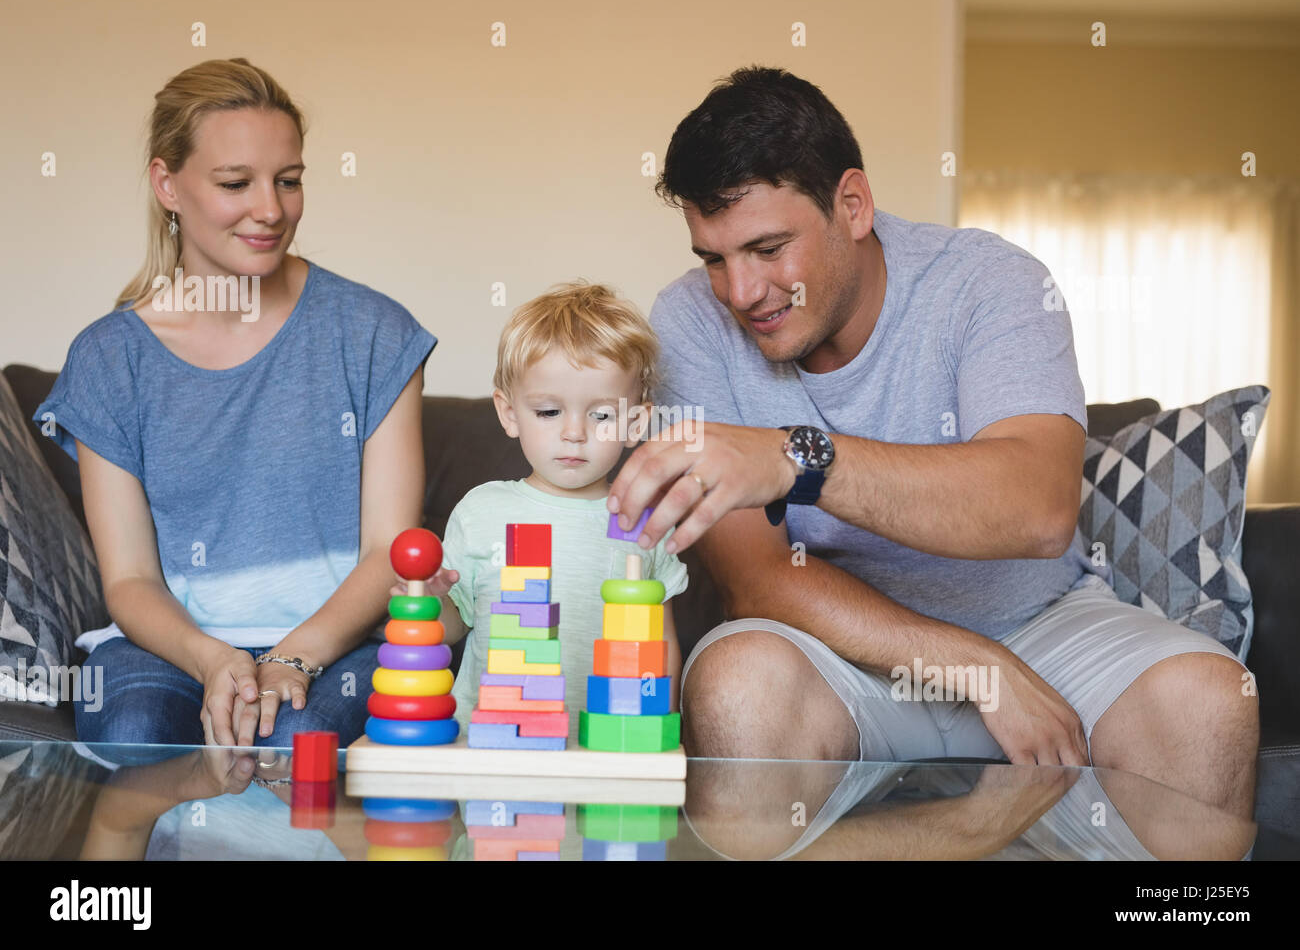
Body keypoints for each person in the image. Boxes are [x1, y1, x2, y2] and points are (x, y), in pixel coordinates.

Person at [607, 66, 1258, 835]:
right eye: (714, 258)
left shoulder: (990, 282)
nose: (741, 291)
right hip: (837, 651)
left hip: (1041, 623)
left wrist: (795, 458)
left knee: (1209, 700)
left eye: (767, 247)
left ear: (852, 204)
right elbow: (756, 580)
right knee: (735, 683)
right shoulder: (688, 321)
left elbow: (1040, 508)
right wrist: (972, 667)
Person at [33, 59, 434, 749]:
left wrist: (291, 659)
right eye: (235, 183)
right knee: (136, 731)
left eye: (288, 180)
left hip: (339, 645)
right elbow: (129, 580)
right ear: (168, 184)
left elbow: (387, 553)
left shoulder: (374, 333)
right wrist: (215, 659)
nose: (271, 210)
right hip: (170, 651)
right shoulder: (108, 360)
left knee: (295, 738)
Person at [390, 282, 687, 744]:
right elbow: (452, 628)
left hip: (606, 747)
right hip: (496, 745)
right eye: (549, 411)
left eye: (602, 416)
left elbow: (660, 643)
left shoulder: (643, 521)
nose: (574, 433)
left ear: (635, 424)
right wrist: (429, 601)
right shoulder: (481, 511)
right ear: (509, 414)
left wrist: (658, 738)